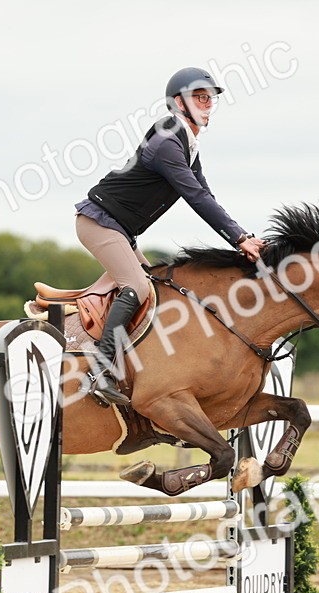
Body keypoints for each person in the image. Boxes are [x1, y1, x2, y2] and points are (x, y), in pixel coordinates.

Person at [75, 66, 267, 407]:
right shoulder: (166, 140)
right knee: (137, 288)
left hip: (120, 230)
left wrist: (242, 236)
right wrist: (238, 239)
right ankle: (99, 370)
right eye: (200, 97)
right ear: (179, 102)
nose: (208, 104)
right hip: (99, 223)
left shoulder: (187, 144)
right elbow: (195, 196)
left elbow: (206, 193)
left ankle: (140, 369)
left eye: (210, 98)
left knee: (158, 292)